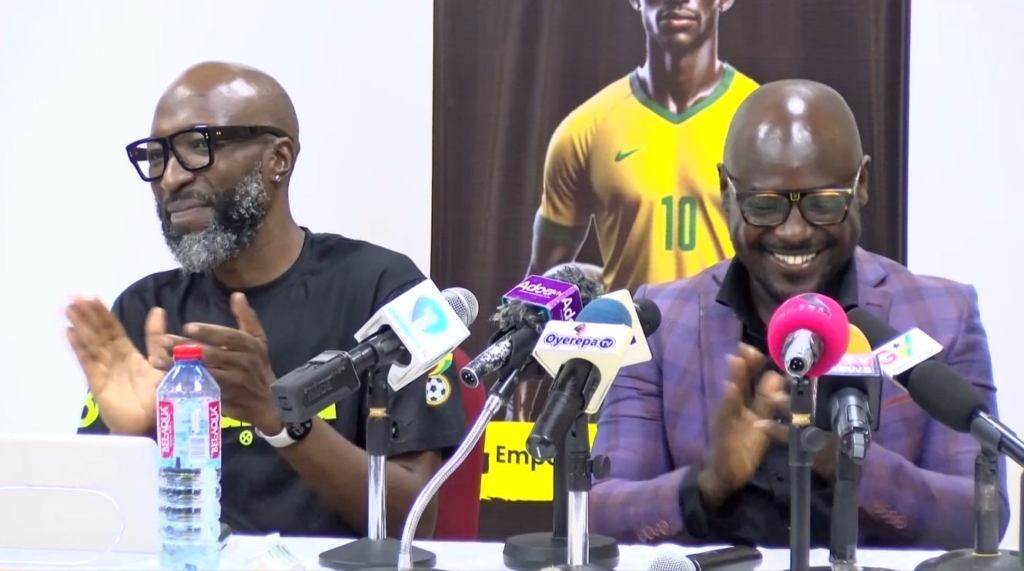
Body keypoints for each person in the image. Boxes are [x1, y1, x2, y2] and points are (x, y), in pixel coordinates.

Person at [589, 79, 1008, 549]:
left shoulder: (944, 316)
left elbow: (982, 513)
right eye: (763, 205)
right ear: (726, 190)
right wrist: (710, 482)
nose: (793, 232)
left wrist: (855, 465)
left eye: (823, 203)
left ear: (861, 185)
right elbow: (600, 512)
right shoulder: (661, 321)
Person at [66, 61, 467, 538]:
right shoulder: (145, 309)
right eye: (156, 156)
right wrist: (132, 442)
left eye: (198, 146)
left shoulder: (385, 289)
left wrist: (274, 415)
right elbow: (90, 526)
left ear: (278, 159)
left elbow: (414, 520)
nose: (170, 178)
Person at [519, 0, 757, 421]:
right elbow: (544, 281)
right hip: (623, 374)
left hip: (733, 368)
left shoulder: (759, 119)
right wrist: (522, 396)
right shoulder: (587, 127)